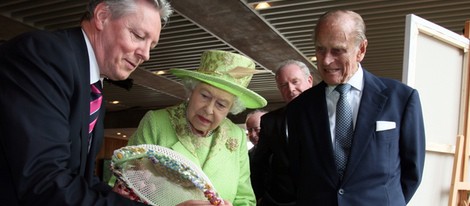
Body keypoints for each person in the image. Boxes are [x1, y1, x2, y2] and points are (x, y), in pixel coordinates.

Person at [0, 0, 173, 205]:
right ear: (102, 16)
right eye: (138, 36)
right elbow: (45, 181)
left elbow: (81, 179)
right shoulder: (44, 55)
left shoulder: (94, 88)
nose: (145, 54)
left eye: (151, 45)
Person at [286, 10, 425, 205]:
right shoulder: (299, 108)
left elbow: (412, 173)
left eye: (337, 50)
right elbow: (298, 174)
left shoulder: (401, 99)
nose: (326, 60)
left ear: (361, 49)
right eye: (320, 49)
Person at [119, 50, 267, 205]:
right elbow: (123, 189)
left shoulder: (236, 135)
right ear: (191, 90)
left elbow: (245, 200)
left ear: (231, 109)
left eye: (221, 104)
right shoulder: (156, 122)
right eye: (204, 96)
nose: (209, 109)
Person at [250, 60, 313, 205]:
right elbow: (258, 164)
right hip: (280, 201)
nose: (290, 89)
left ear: (309, 80)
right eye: (284, 85)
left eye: (295, 81)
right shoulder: (270, 121)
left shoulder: (329, 115)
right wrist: (261, 197)